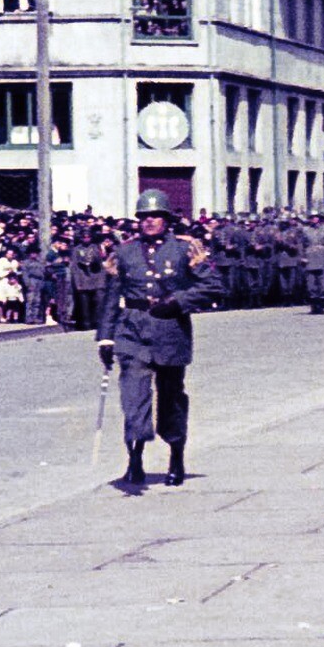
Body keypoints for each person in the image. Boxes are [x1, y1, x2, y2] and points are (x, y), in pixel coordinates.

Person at [98, 189, 221, 491]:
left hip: (170, 331)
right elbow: (112, 297)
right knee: (133, 395)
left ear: (167, 219)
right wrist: (105, 338)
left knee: (171, 399)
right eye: (143, 217)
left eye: (155, 216)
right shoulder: (124, 252)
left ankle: (176, 455)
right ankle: (135, 457)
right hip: (133, 331)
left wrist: (179, 301)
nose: (149, 222)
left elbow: (213, 286)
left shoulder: (185, 250)